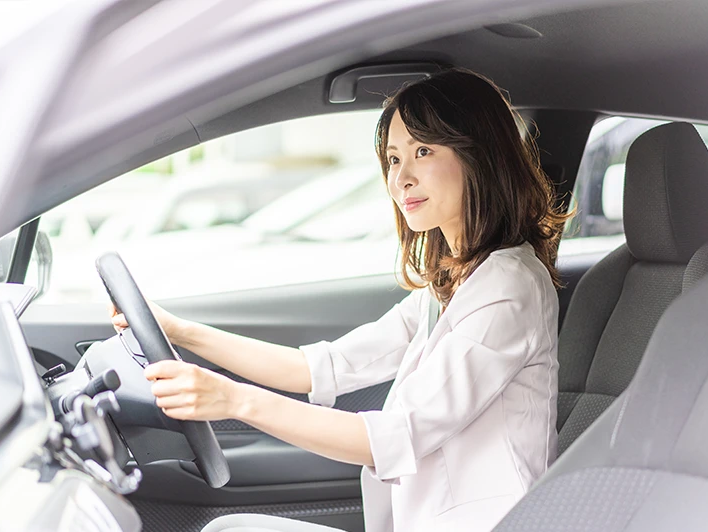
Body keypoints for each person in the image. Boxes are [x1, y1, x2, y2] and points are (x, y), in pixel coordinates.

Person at [110, 68, 566, 532]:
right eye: (392, 159)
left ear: (480, 158)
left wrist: (231, 399)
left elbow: (395, 436)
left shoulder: (509, 287)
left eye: (422, 151)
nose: (401, 178)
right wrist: (178, 330)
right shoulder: (453, 283)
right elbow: (319, 367)